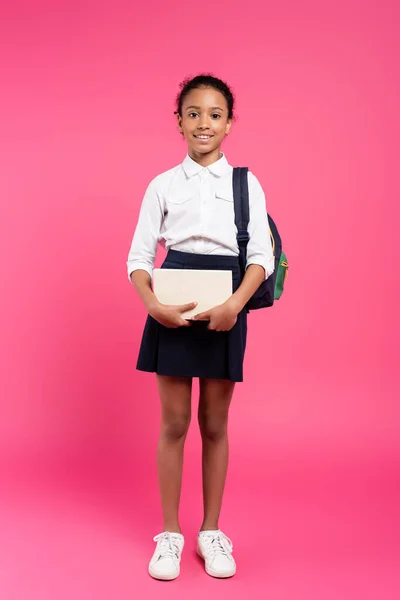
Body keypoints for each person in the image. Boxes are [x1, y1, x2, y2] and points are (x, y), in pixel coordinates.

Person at [126, 74, 274, 580]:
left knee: (214, 423)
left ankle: (211, 530)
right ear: (179, 122)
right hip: (172, 304)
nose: (204, 122)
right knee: (173, 423)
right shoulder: (162, 185)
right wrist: (153, 305)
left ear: (229, 124)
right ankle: (169, 534)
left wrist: (235, 304)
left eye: (214, 114)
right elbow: (139, 258)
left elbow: (261, 255)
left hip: (226, 301)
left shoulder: (245, 183)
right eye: (193, 113)